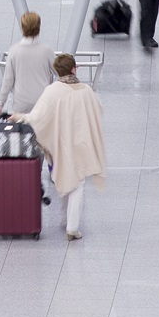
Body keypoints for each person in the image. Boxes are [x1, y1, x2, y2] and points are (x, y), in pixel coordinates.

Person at [21, 53, 107, 240]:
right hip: (80, 144)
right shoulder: (86, 90)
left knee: (65, 177)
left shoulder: (52, 91)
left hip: (58, 146)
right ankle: (72, 227)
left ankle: (65, 218)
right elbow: (99, 110)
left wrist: (20, 117)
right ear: (74, 69)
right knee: (78, 183)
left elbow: (37, 116)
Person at [0, 11, 56, 117]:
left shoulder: (14, 51)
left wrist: (0, 103)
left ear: (22, 28)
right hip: (42, 101)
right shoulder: (46, 50)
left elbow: (8, 80)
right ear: (38, 28)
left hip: (21, 103)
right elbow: (60, 71)